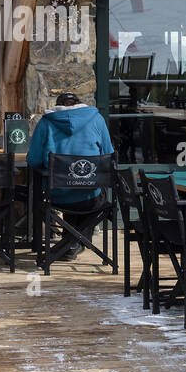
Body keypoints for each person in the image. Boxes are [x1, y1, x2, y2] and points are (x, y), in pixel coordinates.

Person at [26, 91, 114, 258]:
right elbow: (108, 156)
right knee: (91, 190)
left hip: (57, 197)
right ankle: (74, 241)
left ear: (57, 105)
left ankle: (71, 242)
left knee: (71, 190)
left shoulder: (46, 123)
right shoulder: (97, 120)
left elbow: (33, 160)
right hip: (90, 196)